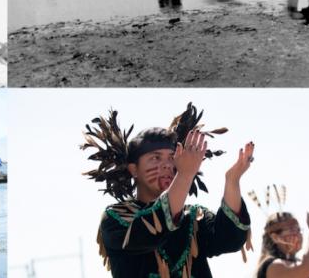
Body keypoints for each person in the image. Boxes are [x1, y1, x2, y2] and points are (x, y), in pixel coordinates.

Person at [83, 103, 254, 278]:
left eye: (172, 157)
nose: (167, 165)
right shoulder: (116, 217)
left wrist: (232, 181)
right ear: (134, 169)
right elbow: (149, 233)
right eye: (155, 158)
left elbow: (229, 239)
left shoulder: (194, 218)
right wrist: (185, 176)